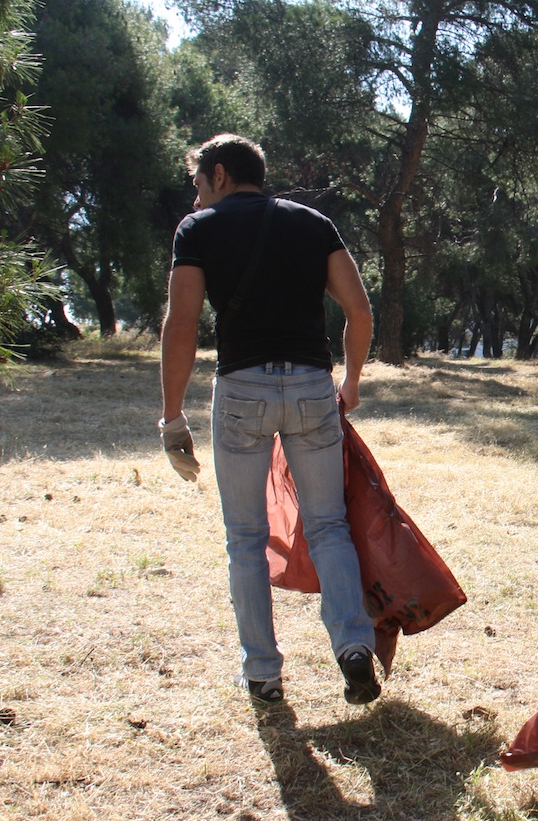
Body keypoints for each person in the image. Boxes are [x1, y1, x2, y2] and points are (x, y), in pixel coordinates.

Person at [158, 133, 380, 708]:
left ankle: (263, 673)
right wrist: (351, 381)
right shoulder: (313, 223)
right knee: (329, 526)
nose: (197, 196)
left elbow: (180, 325)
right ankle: (353, 646)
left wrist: (171, 416)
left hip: (241, 392)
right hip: (311, 386)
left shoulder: (197, 231)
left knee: (246, 539)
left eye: (198, 183)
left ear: (221, 175)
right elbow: (358, 309)